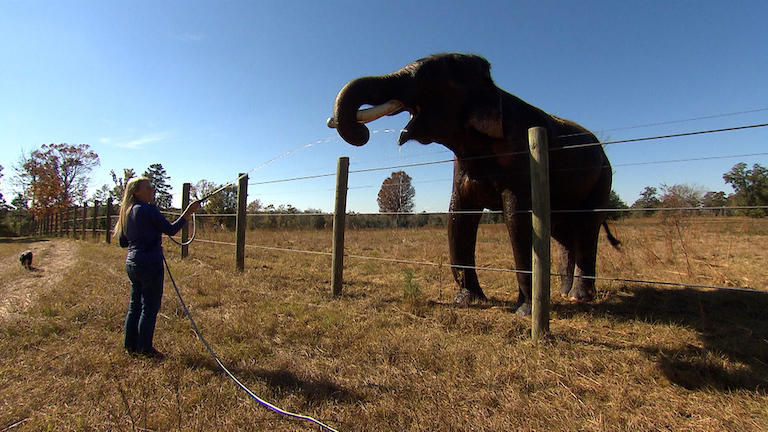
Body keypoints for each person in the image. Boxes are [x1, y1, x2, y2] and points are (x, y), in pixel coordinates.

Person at [113, 177, 201, 358]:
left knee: (134, 306)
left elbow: (123, 242)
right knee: (150, 307)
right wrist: (188, 213)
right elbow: (170, 230)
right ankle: (145, 348)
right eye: (148, 187)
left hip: (132, 263)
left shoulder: (127, 211)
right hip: (150, 264)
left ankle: (130, 345)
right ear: (137, 191)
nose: (153, 190)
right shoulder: (147, 209)